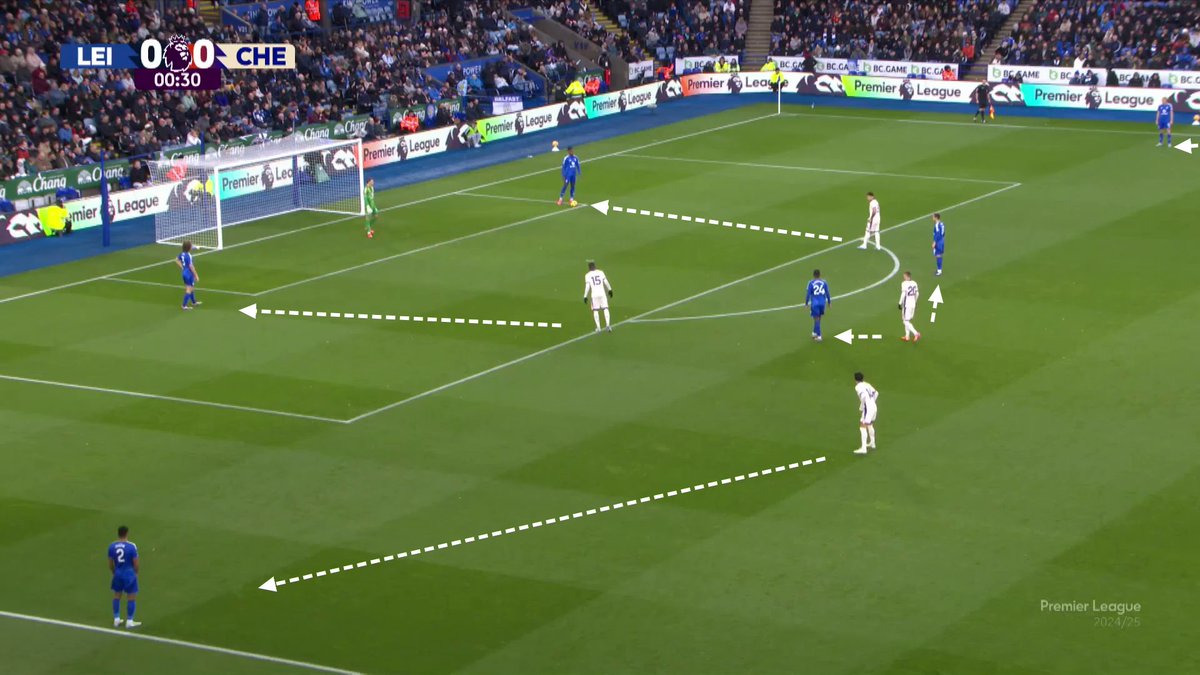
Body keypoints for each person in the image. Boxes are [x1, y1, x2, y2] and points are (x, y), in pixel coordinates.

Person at [108, 526, 140, 629]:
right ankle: (129, 621)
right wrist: (136, 573)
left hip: (117, 573)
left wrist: (114, 572)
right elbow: (136, 563)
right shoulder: (131, 546)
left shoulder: (112, 546)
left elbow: (110, 563)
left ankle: (116, 619)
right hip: (129, 574)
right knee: (131, 597)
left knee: (117, 595)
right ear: (127, 533)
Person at [582, 260, 613, 332]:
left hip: (594, 295)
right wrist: (610, 289)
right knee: (605, 308)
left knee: (595, 310)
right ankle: (608, 325)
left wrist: (585, 296)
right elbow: (606, 281)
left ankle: (598, 327)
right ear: (595, 266)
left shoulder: (587, 275)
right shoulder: (600, 272)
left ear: (589, 268)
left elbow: (587, 286)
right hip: (602, 293)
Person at [852, 372, 878, 455]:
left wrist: (862, 406)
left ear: (855, 379)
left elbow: (863, 396)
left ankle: (863, 448)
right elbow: (876, 393)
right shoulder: (867, 384)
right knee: (870, 424)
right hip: (874, 406)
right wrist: (872, 401)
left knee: (862, 426)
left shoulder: (858, 387)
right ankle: (872, 443)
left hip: (868, 408)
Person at [804, 269, 830, 341]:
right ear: (820, 274)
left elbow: (808, 294)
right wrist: (829, 302)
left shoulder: (811, 283)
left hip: (815, 303)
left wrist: (806, 303)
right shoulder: (824, 282)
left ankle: (819, 336)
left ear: (813, 275)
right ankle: (814, 333)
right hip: (822, 303)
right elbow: (827, 292)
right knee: (819, 318)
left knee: (816, 319)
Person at [176, 241, 200, 310]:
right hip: (189, 273)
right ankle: (184, 305)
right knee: (189, 289)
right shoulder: (188, 256)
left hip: (184, 273)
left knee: (191, 287)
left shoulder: (182, 254)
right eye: (191, 246)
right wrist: (196, 275)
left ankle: (194, 302)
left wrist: (182, 267)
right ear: (189, 247)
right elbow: (191, 266)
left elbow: (177, 260)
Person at [899, 271, 921, 342]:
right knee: (907, 320)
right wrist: (915, 301)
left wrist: (899, 303)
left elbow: (903, 294)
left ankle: (916, 333)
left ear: (907, 277)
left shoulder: (904, 283)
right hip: (913, 304)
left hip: (907, 305)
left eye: (904, 276)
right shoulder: (914, 283)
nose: (904, 277)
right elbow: (917, 294)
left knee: (905, 321)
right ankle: (907, 336)